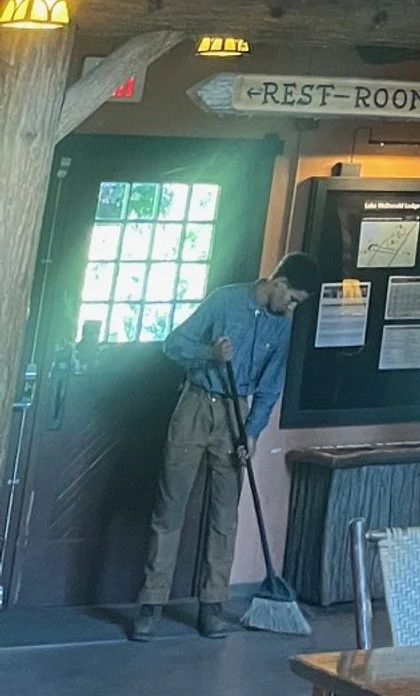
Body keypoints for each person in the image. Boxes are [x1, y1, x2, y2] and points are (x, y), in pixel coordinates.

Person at [132, 254, 320, 640]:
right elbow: (173, 344)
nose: (291, 308)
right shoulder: (224, 300)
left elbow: (270, 387)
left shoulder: (281, 328)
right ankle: (151, 604)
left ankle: (212, 604)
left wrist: (252, 432)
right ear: (280, 283)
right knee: (170, 508)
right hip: (196, 404)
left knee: (224, 515)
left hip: (237, 414)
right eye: (292, 299)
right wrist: (210, 354)